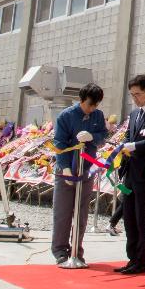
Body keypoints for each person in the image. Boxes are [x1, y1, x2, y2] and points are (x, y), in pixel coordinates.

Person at [51, 84, 107, 266]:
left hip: (87, 168)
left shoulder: (97, 116)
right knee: (63, 212)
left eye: (95, 105)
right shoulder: (66, 116)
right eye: (90, 104)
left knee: (81, 212)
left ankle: (77, 249)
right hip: (66, 169)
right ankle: (60, 250)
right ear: (82, 99)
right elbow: (59, 143)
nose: (92, 109)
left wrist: (93, 136)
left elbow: (103, 134)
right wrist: (65, 168)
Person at [113, 75, 145, 275]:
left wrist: (135, 146)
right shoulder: (134, 114)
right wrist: (123, 146)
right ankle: (132, 257)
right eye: (132, 95)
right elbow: (128, 136)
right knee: (129, 216)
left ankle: (142, 259)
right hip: (130, 171)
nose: (135, 98)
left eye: (138, 94)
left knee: (141, 216)